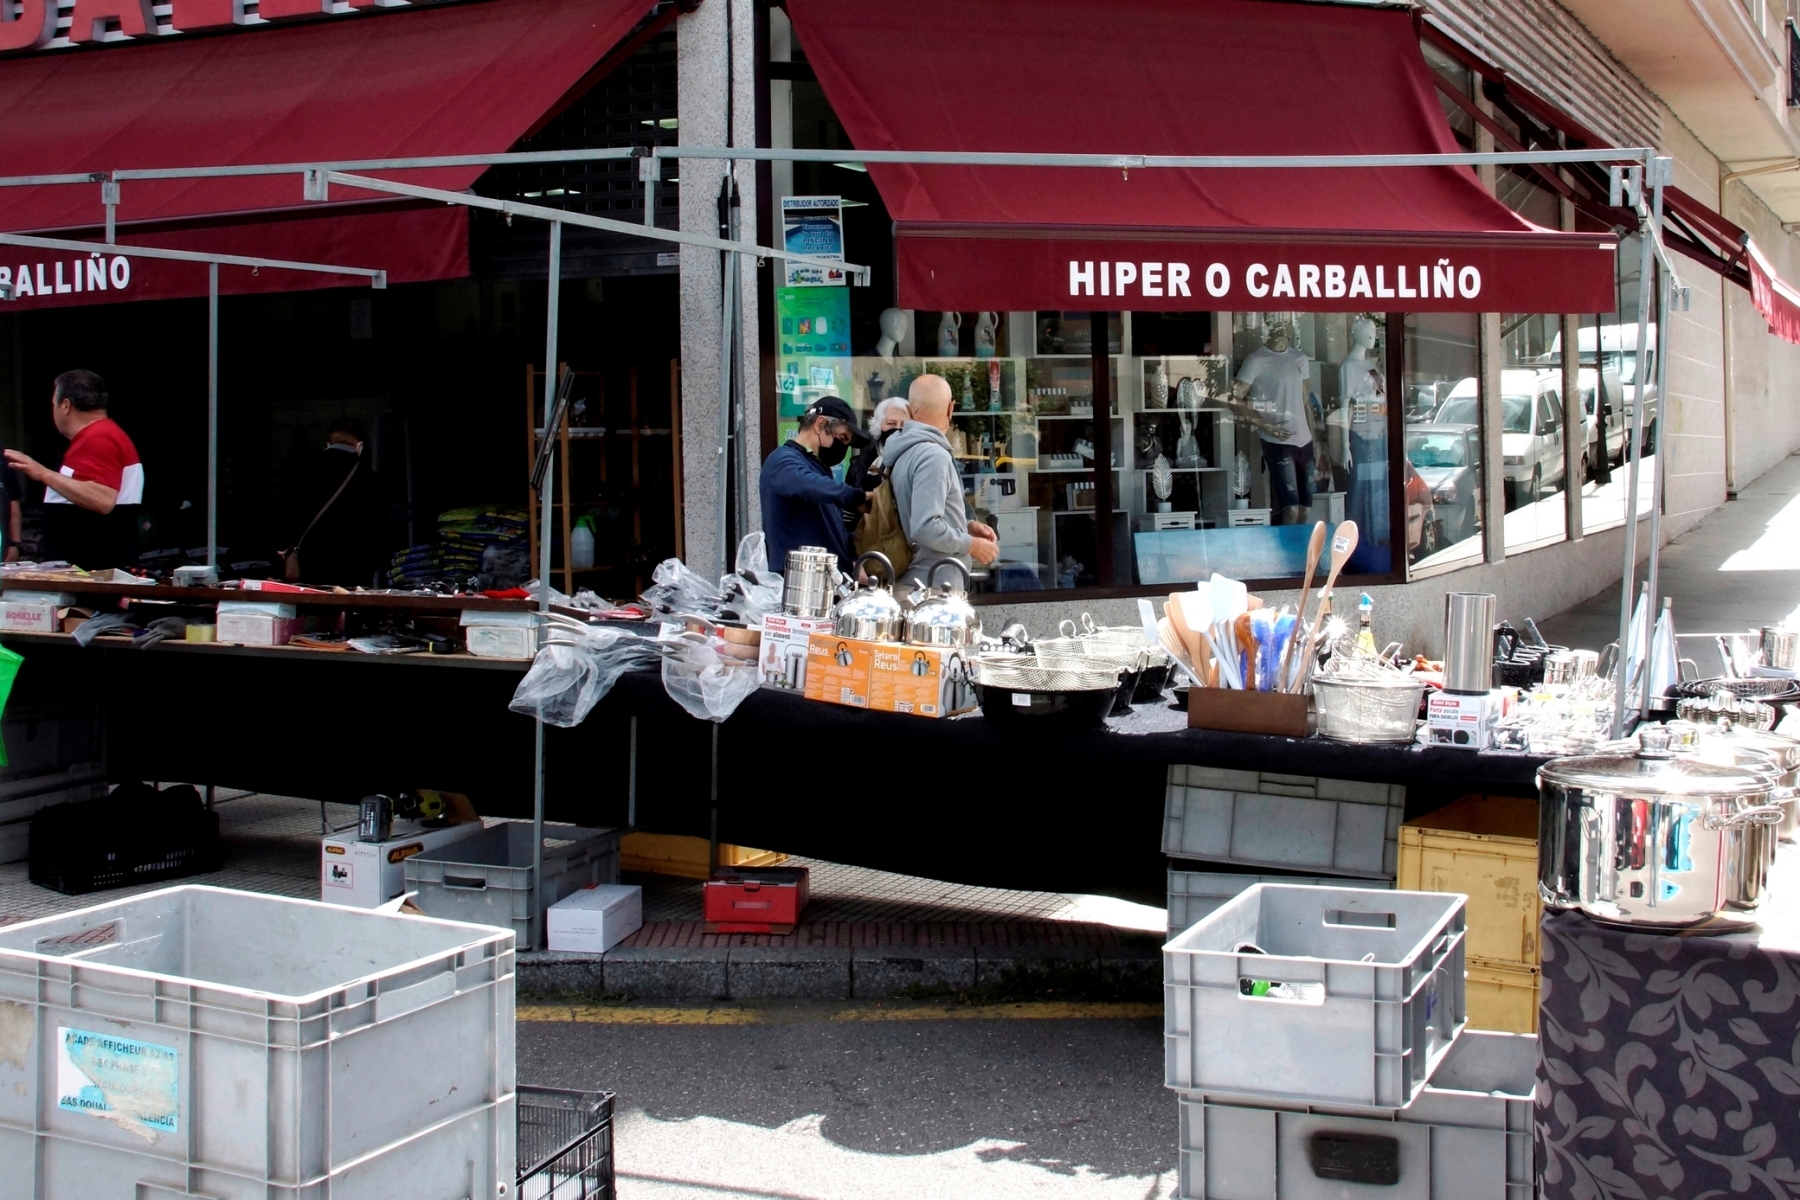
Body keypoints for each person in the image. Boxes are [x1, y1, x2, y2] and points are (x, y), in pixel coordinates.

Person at [5, 369, 142, 569]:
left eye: (54, 404)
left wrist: (43, 473)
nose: (53, 410)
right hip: (90, 572)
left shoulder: (98, 438)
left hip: (93, 573)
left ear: (65, 405)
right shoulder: (99, 436)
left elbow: (102, 499)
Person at [885, 374, 998, 588]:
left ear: (909, 410)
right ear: (950, 409)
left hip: (916, 583)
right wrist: (972, 545)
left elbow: (915, 515)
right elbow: (926, 527)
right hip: (933, 587)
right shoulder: (933, 456)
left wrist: (964, 525)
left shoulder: (904, 451)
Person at [759, 395, 871, 575]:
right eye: (842, 438)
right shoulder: (782, 461)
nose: (843, 448)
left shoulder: (816, 467)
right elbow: (811, 486)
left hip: (825, 580)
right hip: (799, 582)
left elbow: (827, 530)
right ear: (820, 425)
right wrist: (859, 496)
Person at [289, 416, 382, 587]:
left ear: (328, 441)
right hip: (354, 569)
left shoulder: (304, 470)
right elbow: (377, 529)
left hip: (310, 564)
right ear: (359, 445)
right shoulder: (369, 478)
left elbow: (290, 514)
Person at [842, 396, 909, 530]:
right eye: (891, 423)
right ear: (879, 426)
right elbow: (847, 516)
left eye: (904, 425)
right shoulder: (860, 466)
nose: (897, 429)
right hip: (868, 538)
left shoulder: (917, 463)